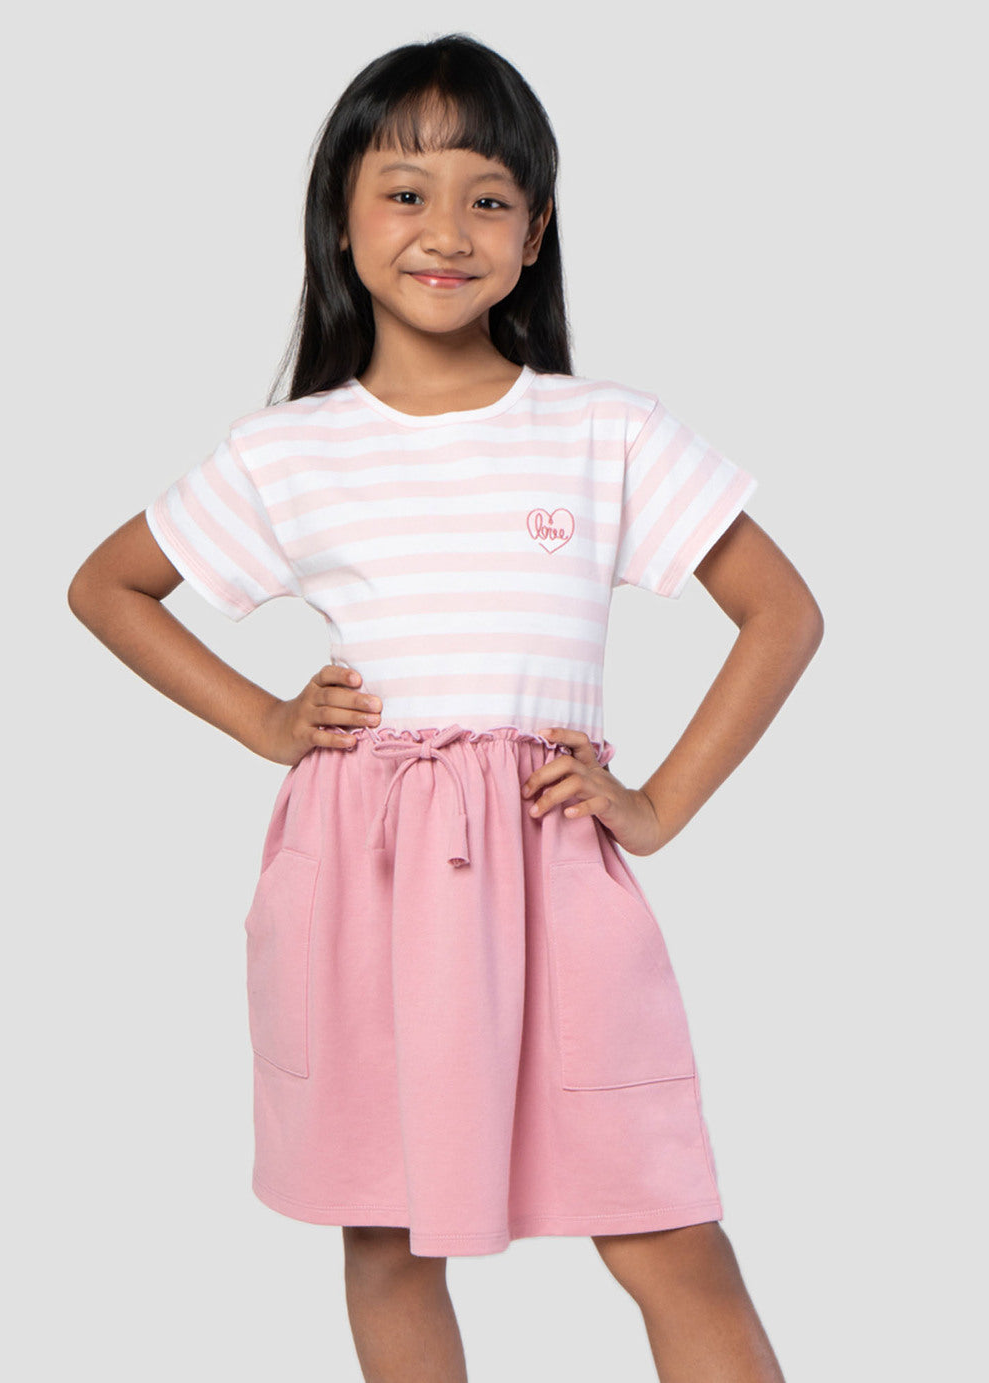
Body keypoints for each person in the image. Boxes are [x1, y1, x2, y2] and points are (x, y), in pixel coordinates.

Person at [69, 31, 821, 1383]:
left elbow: (784, 613)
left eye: (488, 197)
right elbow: (108, 586)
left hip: (553, 868)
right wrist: (265, 721)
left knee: (667, 1232)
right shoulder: (288, 450)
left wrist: (655, 806)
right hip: (362, 878)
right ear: (342, 218)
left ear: (536, 234)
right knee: (386, 1240)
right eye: (406, 192)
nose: (446, 230)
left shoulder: (604, 432)